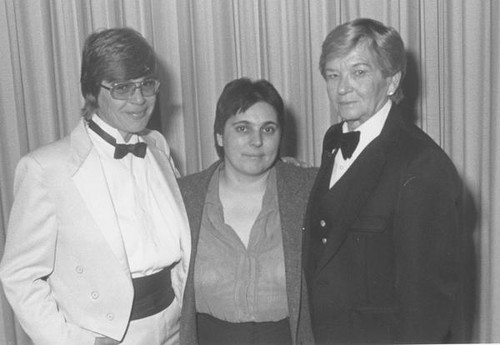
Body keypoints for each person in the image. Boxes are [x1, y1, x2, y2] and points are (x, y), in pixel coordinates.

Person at [0, 27, 191, 345]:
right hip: (107, 336)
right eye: (122, 88)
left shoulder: (157, 147)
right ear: (91, 91)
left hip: (175, 324)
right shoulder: (46, 168)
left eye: (146, 84)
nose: (139, 99)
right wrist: (74, 341)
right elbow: (20, 276)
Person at [303, 18, 467, 344]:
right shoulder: (334, 140)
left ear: (391, 81)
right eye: (333, 75)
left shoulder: (422, 164)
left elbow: (427, 309)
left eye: (359, 72)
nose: (342, 87)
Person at [178, 78, 316, 345]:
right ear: (219, 134)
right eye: (243, 128)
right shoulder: (185, 197)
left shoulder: (308, 191)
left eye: (268, 129)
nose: (257, 141)